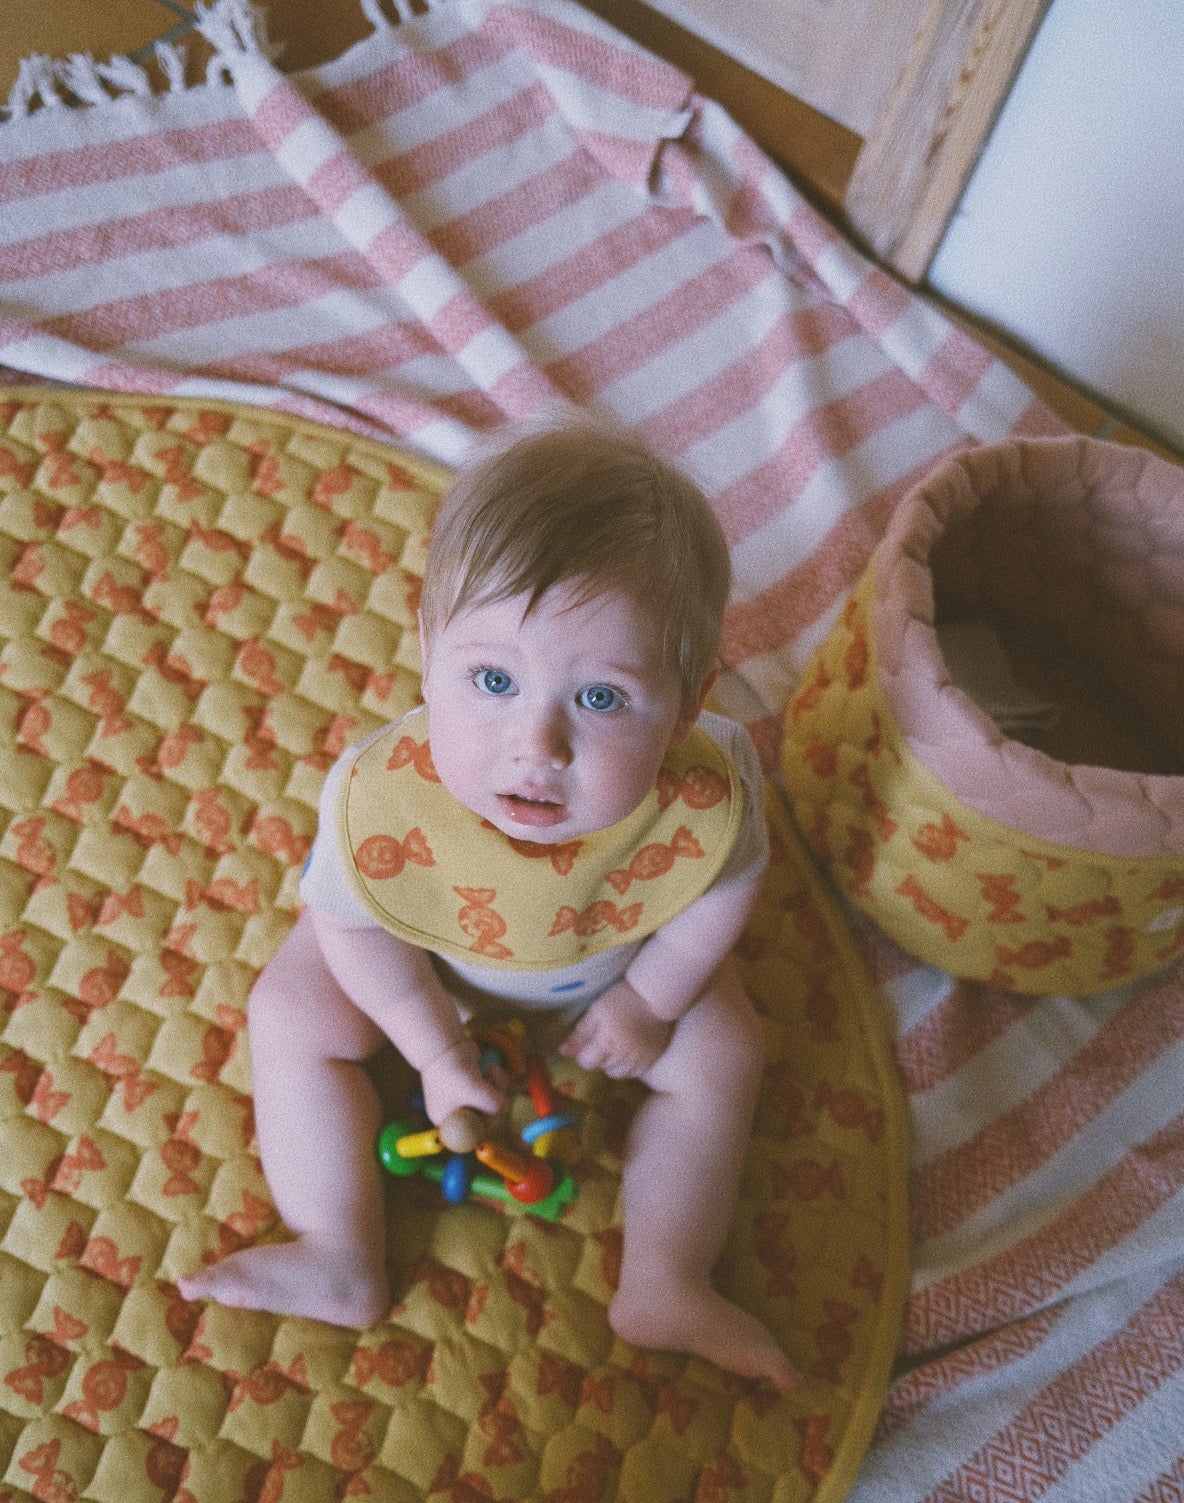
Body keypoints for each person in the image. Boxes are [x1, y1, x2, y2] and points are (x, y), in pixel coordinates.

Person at [179, 418, 800, 1391]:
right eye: (494, 680)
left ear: (685, 704)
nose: (536, 744)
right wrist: (429, 1048)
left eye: (600, 699)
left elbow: (725, 886)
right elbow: (351, 927)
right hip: (426, 970)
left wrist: (651, 1003)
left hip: (606, 978)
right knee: (289, 1008)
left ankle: (666, 1280)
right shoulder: (385, 800)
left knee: (727, 1047)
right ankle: (336, 1246)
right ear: (427, 651)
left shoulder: (706, 794)